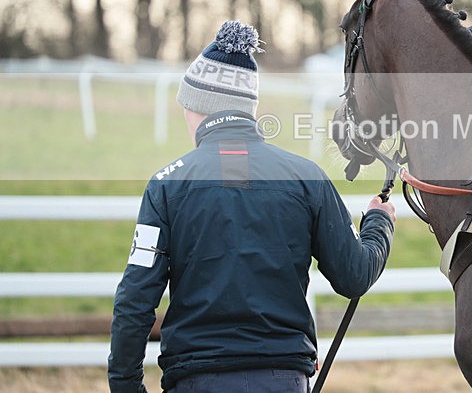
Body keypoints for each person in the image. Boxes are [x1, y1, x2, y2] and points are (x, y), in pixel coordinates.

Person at [108, 20, 395, 393]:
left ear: (197, 107)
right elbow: (355, 275)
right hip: (283, 378)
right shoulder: (305, 176)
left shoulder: (166, 183)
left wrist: (126, 386)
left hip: (195, 378)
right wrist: (378, 223)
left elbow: (135, 300)